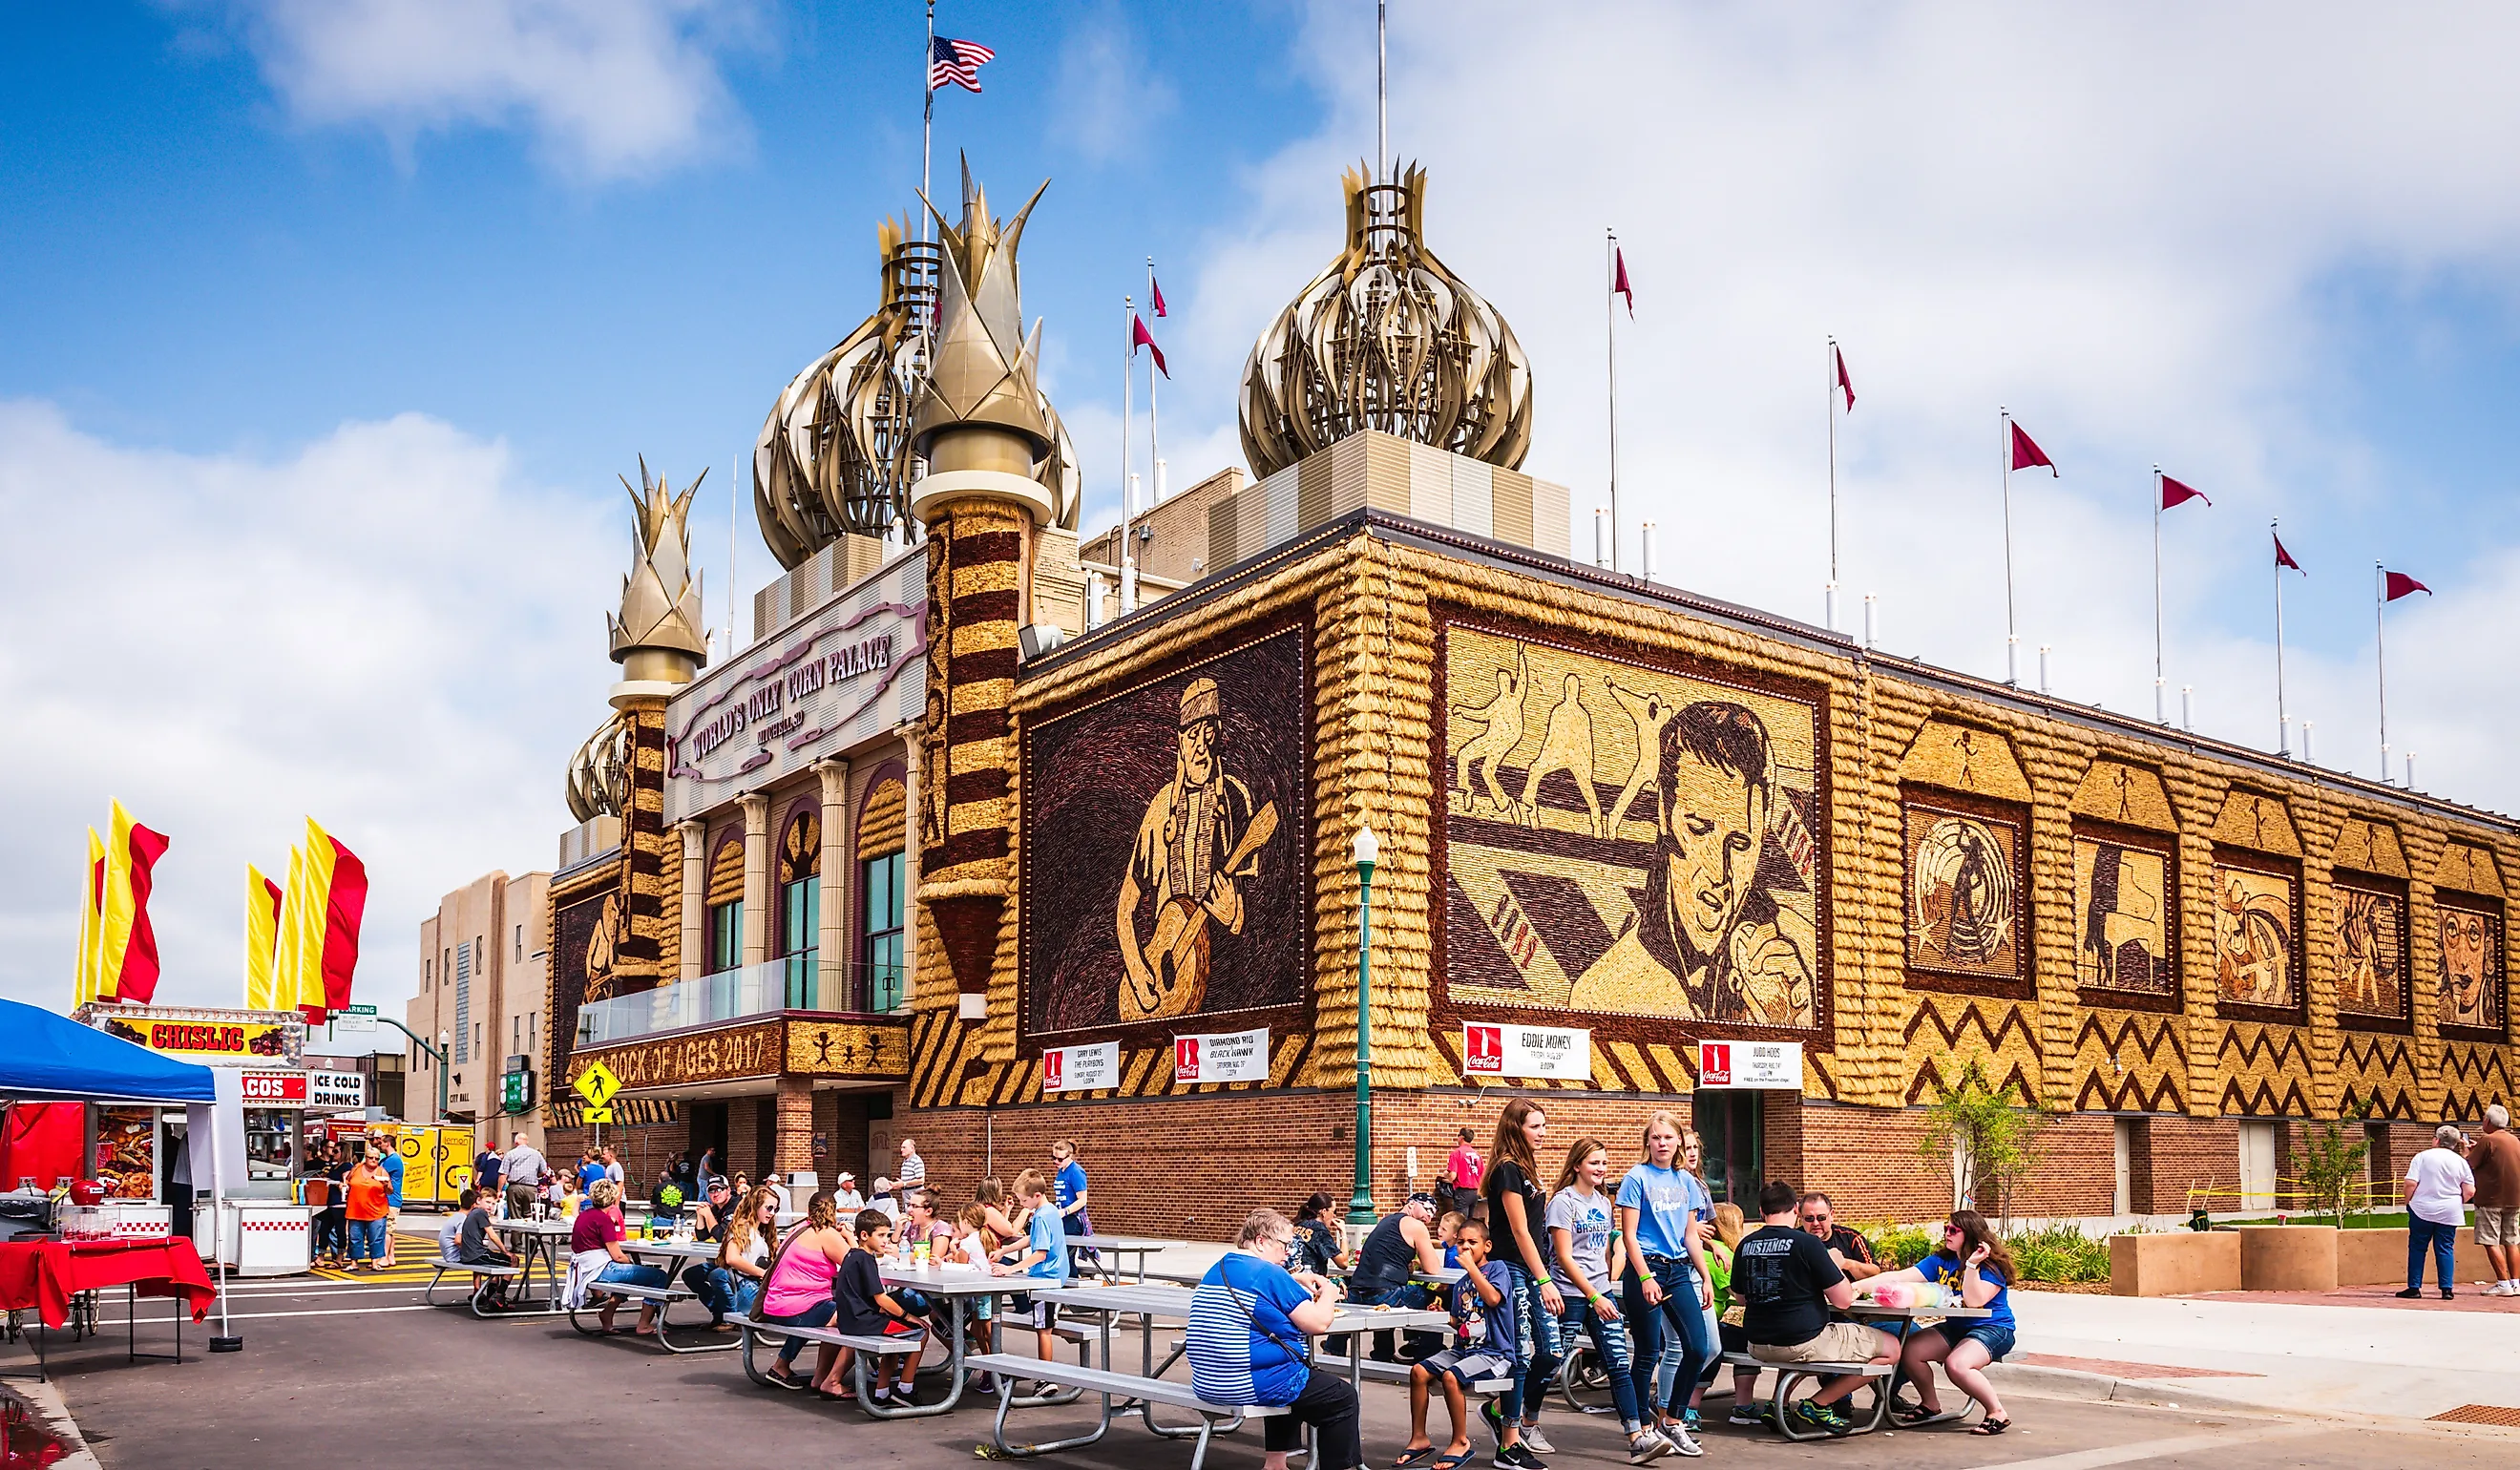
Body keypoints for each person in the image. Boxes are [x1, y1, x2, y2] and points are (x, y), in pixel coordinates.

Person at [1186, 1208, 1358, 1470]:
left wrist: (1293, 1278)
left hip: (1208, 1380)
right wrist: (1330, 1293)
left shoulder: (1220, 1267)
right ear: (1261, 1241)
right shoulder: (1270, 1274)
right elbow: (1318, 1323)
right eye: (1285, 1245)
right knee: (1341, 1398)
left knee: (1291, 1374)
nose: (1289, 1253)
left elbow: (1258, 1291)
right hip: (1245, 1383)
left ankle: (1276, 1464)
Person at [1738, 1180, 1898, 1438]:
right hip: (1800, 1342)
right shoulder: (1807, 1244)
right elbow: (1844, 1301)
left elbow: (1742, 1297)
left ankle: (1777, 1404)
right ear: (1795, 1209)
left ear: (1761, 1209)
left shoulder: (1747, 1244)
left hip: (1756, 1342)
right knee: (1893, 1347)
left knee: (1795, 1338)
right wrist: (1835, 1265)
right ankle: (1818, 1404)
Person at [1547, 1138, 1669, 1462]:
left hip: (1600, 1292)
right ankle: (1514, 1416)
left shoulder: (1603, 1203)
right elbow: (1564, 1256)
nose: (1600, 1168)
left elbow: (1601, 1250)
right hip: (1571, 1294)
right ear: (1576, 1166)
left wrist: (1604, 1288)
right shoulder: (1563, 1202)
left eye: (1603, 1162)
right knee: (1551, 1363)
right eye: (1593, 1162)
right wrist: (1593, 1295)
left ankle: (1637, 1437)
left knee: (1617, 1364)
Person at [1871, 1210, 2018, 1435]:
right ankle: (1930, 1403)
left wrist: (1971, 1266)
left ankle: (1996, 1412)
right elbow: (1901, 1276)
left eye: (1953, 1230)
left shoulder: (1991, 1266)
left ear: (1970, 1234)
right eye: (1946, 1229)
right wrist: (1856, 1287)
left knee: (1956, 1364)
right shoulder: (1941, 1260)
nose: (1947, 1234)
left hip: (1994, 1329)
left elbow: (1975, 1301)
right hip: (1956, 1328)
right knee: (1909, 1350)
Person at [1616, 1111, 1712, 1454]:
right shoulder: (1636, 1178)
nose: (1662, 1144)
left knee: (1698, 1347)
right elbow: (1629, 1235)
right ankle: (1642, 1425)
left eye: (1668, 1138)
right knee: (1648, 1352)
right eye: (1656, 1137)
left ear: (1678, 1143)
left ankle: (1673, 1420)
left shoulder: (1687, 1182)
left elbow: (1690, 1234)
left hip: (1679, 1269)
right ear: (1648, 1142)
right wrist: (1644, 1276)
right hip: (1646, 1268)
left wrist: (1704, 1276)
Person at [1396, 1219, 1515, 1470]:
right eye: (1461, 1243)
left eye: (1473, 1242)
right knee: (1418, 1371)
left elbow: (1493, 1299)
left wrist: (1472, 1269)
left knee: (1451, 1377)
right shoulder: (1462, 1283)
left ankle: (1460, 1441)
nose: (1465, 1247)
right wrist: (1445, 1314)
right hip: (1464, 1349)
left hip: (1494, 1352)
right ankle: (1419, 1438)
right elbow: (1462, 1322)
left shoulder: (1497, 1269)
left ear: (1487, 1245)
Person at [1481, 1100, 1562, 1466]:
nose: (1542, 1133)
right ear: (1516, 1128)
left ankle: (1499, 1408)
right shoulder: (1507, 1170)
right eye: (1535, 1126)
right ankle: (1509, 1445)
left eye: (1544, 1126)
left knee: (1551, 1352)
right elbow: (1519, 1229)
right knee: (1521, 1354)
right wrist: (1544, 1277)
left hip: (1534, 1267)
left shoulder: (1528, 1168)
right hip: (1513, 1267)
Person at [759, 1190, 854, 1393]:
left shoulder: (800, 1229)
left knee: (825, 1314)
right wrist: (850, 1237)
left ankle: (783, 1366)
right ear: (833, 1211)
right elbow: (856, 1264)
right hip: (796, 1305)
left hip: (778, 1302)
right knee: (851, 1317)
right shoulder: (827, 1234)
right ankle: (827, 1380)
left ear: (809, 1211)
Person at [1344, 1191, 1448, 1363]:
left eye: (1432, 1214)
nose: (1428, 1217)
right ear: (1411, 1204)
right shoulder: (1416, 1226)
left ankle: (1381, 1353)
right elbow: (1433, 1269)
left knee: (1386, 1303)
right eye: (1427, 1209)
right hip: (1384, 1294)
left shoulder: (1386, 1221)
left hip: (1357, 1292)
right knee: (1433, 1299)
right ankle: (1428, 1356)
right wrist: (1421, 1264)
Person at [834, 1209, 925, 1403]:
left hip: (850, 1320)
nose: (886, 1240)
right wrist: (907, 1316)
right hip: (863, 1322)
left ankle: (881, 1393)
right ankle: (905, 1389)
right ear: (864, 1236)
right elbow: (881, 1298)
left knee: (894, 1340)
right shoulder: (866, 1259)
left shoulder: (852, 1255)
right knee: (922, 1332)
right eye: (881, 1235)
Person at [991, 1168, 1072, 1380]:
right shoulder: (1050, 1211)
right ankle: (1043, 1374)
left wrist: (1010, 1269)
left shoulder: (1041, 1217)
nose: (1021, 1204)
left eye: (1023, 1200)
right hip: (1052, 1276)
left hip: (1046, 1279)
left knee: (1044, 1330)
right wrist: (1004, 1251)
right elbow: (1031, 1239)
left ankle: (1046, 1378)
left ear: (1037, 1196)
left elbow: (1040, 1254)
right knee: (1042, 1328)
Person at [574, 1178, 669, 1335]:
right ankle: (644, 1325)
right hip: (601, 1271)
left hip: (585, 1269)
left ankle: (608, 1313)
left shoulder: (584, 1216)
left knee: (629, 1275)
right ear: (611, 1199)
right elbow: (618, 1256)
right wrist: (630, 1262)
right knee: (658, 1276)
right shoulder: (604, 1220)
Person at [684, 1183, 779, 1329]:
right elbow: (732, 1258)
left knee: (717, 1274)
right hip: (748, 1286)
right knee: (702, 1274)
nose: (772, 1213)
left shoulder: (763, 1230)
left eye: (776, 1209)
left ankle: (724, 1314)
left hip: (753, 1285)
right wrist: (763, 1273)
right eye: (769, 1208)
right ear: (755, 1205)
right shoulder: (742, 1227)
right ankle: (725, 1313)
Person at [1702, 1204, 1763, 1429]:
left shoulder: (1700, 1249)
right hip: (1707, 1327)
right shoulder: (1723, 1255)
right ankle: (1743, 1405)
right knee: (1748, 1339)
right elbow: (1742, 1297)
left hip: (1681, 1325)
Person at [2402, 1124, 2477, 1299]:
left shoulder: (2422, 1157)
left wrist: (2408, 1201)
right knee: (2445, 1248)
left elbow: (2410, 1183)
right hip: (2449, 1210)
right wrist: (2457, 1201)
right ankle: (2446, 1288)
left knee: (2417, 1247)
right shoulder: (2460, 1161)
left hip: (2422, 1208)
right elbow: (2470, 1190)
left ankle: (2414, 1286)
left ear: (2436, 1140)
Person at [2469, 1105, 2520, 1296]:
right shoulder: (2514, 1140)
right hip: (2514, 1199)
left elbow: (2470, 1164)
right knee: (2512, 1240)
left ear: (2488, 1122)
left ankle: (2503, 1283)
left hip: (2490, 1199)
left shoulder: (2488, 1140)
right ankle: (2516, 1283)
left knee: (2490, 1240)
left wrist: (2467, 1152)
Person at [455, 1185, 516, 1307]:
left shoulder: (474, 1213)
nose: (490, 1206)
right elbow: (492, 1235)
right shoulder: (480, 1213)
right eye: (488, 1202)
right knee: (513, 1261)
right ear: (478, 1201)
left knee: (496, 1261)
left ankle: (488, 1296)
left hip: (468, 1255)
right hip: (476, 1255)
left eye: (493, 1204)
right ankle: (498, 1296)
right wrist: (505, 1251)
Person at [1797, 1192, 1880, 1281]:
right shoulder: (1793, 1240)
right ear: (1801, 1218)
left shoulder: (1851, 1238)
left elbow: (1875, 1272)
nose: (1816, 1223)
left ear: (1832, 1215)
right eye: (1809, 1218)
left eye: (1821, 1217)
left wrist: (1846, 1263)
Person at [344, 1144, 393, 1270]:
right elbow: (347, 1179)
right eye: (371, 1158)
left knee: (376, 1238)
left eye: (376, 1158)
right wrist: (343, 1185)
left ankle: (375, 1262)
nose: (373, 1160)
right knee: (355, 1238)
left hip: (377, 1211)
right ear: (365, 1158)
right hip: (356, 1209)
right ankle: (354, 1262)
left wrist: (386, 1185)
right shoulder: (356, 1168)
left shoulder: (381, 1171)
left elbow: (390, 1191)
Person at [1291, 1192, 1352, 1277]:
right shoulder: (1319, 1230)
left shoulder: (1298, 1224)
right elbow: (1343, 1263)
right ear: (1324, 1212)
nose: (1334, 1216)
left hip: (1294, 1277)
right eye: (1334, 1211)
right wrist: (1343, 1232)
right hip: (1310, 1281)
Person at [1442, 1127, 1486, 1223]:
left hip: (1463, 1191)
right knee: (1470, 1222)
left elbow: (1453, 1176)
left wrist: (1446, 1174)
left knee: (1460, 1222)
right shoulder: (1477, 1155)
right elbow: (1483, 1175)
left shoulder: (1457, 1153)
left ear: (1461, 1137)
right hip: (1476, 1191)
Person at [373, 1135, 405, 1268]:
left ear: (388, 1144)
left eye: (381, 1143)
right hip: (391, 1199)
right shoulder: (389, 1159)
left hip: (390, 1199)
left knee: (386, 1230)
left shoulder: (393, 1160)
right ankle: (390, 1256)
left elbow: (378, 1175)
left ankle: (384, 1257)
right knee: (390, 1230)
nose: (378, 1145)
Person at [505, 1132, 548, 1219]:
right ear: (527, 1142)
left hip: (515, 1187)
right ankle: (530, 1232)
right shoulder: (537, 1154)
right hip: (531, 1188)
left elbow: (503, 1173)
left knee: (515, 1216)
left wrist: (499, 1190)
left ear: (516, 1142)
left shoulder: (510, 1154)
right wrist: (535, 1174)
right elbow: (544, 1171)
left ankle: (517, 1232)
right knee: (531, 1215)